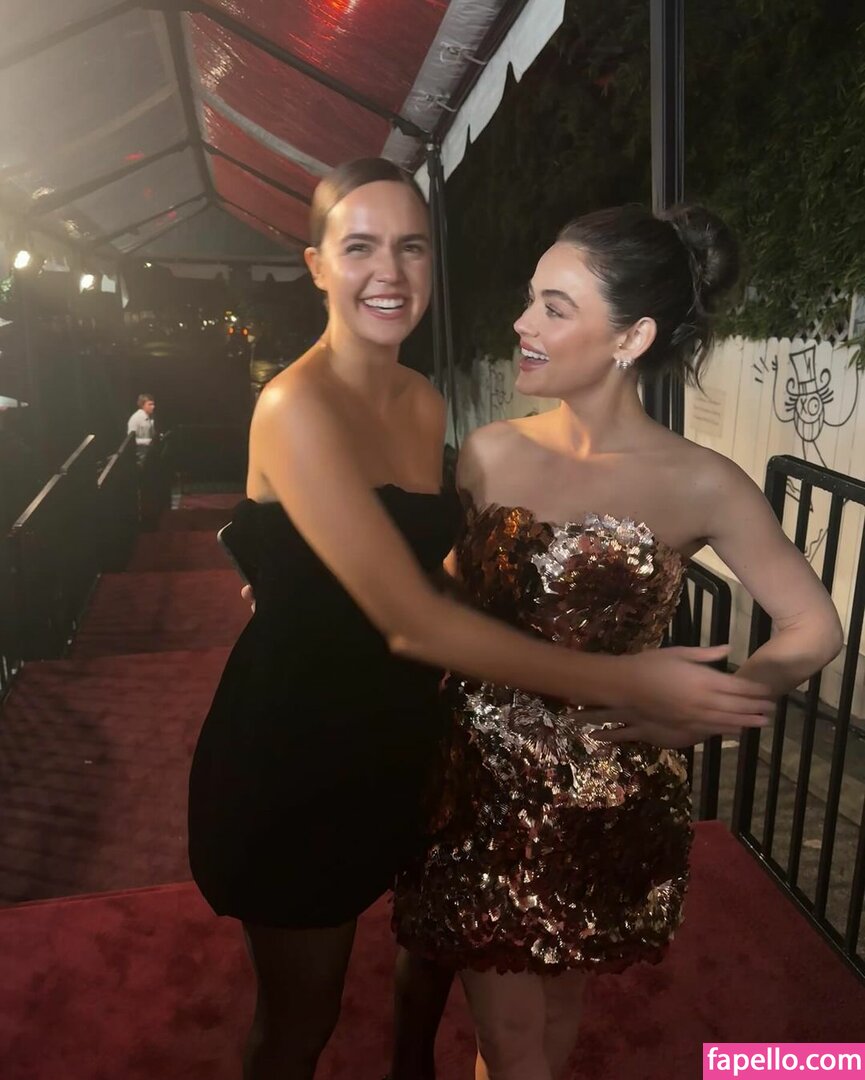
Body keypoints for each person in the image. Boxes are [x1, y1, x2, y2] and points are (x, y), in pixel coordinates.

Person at [187, 163, 775, 1080]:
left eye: (411, 246)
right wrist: (632, 679)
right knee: (300, 1024)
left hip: (413, 740)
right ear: (316, 265)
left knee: (435, 956)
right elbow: (411, 618)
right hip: (299, 751)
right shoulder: (295, 403)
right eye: (359, 246)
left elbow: (429, 571)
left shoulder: (423, 402)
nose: (390, 271)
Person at [391, 204, 843, 1080]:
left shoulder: (701, 481)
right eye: (531, 299)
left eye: (553, 307)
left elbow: (813, 625)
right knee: (511, 1041)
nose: (521, 324)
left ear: (631, 337)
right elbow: (443, 601)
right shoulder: (486, 452)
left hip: (607, 794)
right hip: (476, 786)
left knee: (553, 1021)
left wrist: (710, 709)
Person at [127, 393, 155, 463]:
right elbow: (130, 440)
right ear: (142, 405)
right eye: (150, 404)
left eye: (153, 404)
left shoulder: (149, 418)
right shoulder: (136, 418)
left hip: (149, 455)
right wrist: (148, 441)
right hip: (140, 458)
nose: (153, 407)